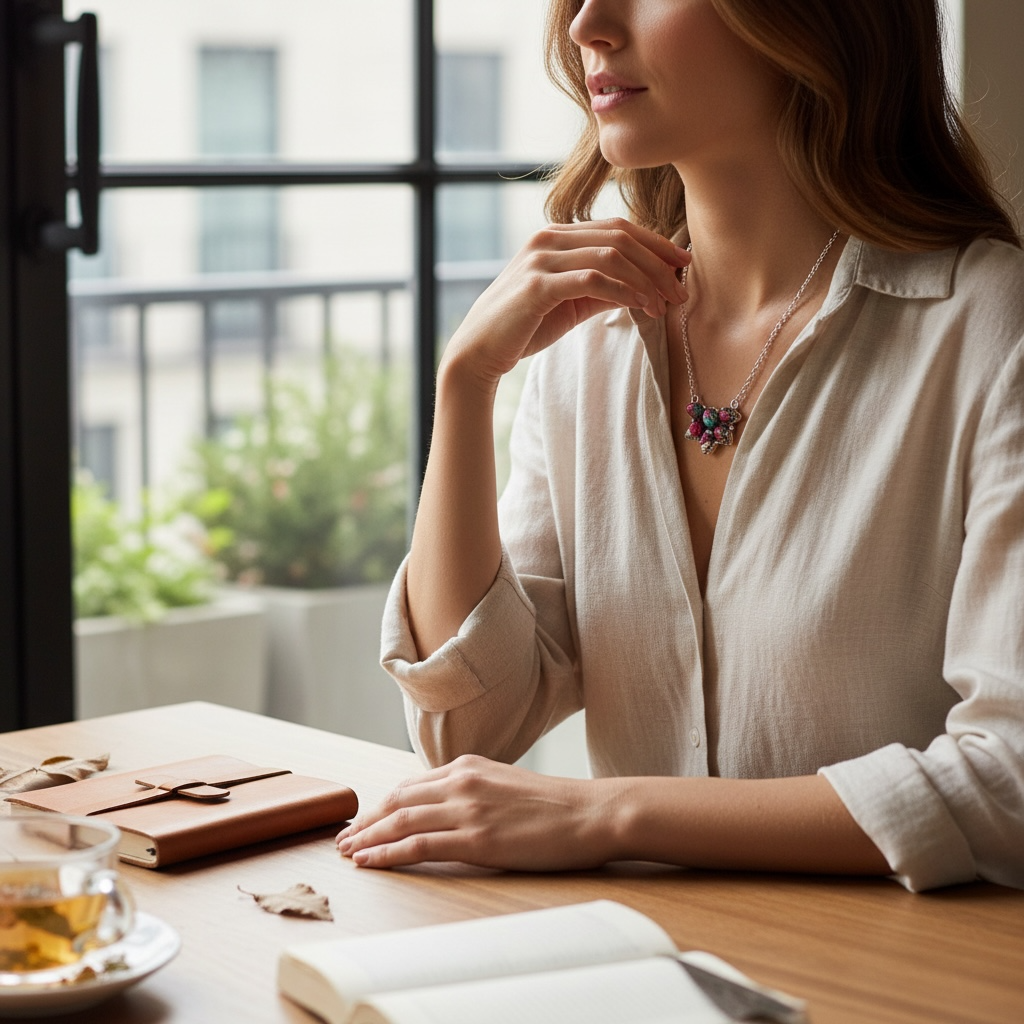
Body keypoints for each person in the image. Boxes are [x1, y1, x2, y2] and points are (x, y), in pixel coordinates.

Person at [336, 0, 1024, 892]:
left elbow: (1008, 779)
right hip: (639, 970)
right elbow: (464, 734)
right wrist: (464, 387)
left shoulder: (989, 329)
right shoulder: (582, 344)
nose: (587, 25)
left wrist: (605, 814)